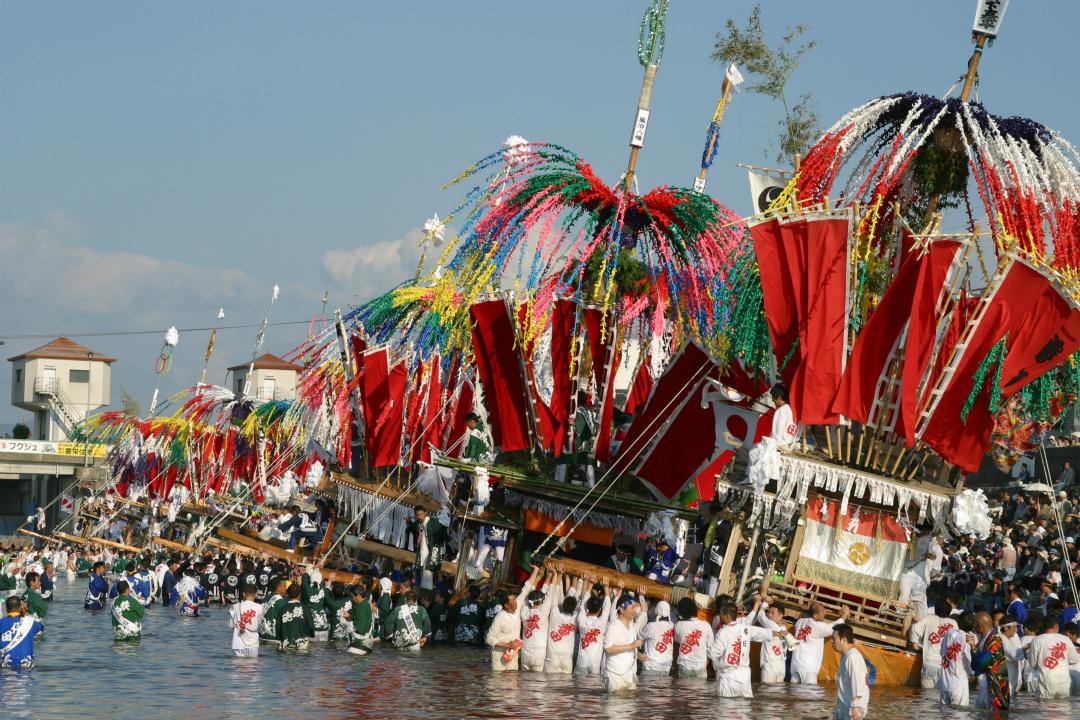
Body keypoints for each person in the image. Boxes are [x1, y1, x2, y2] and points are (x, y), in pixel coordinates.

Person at [710, 601, 779, 698]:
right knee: (743, 709)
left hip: (728, 677)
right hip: (744, 678)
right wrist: (779, 633)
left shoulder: (723, 632)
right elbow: (764, 633)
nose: (719, 617)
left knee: (724, 709)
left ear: (727, 617)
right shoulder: (746, 628)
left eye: (721, 615)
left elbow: (713, 653)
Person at [791, 602, 850, 684]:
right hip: (808, 669)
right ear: (815, 616)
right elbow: (833, 628)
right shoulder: (817, 626)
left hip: (795, 666)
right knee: (809, 695)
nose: (825, 613)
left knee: (793, 695)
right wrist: (844, 615)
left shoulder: (800, 622)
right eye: (822, 611)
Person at [908, 592, 956, 689]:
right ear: (949, 612)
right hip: (945, 666)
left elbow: (914, 628)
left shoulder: (929, 618)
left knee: (926, 698)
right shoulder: (953, 623)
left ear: (935, 610)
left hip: (930, 664)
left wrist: (914, 643)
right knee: (940, 699)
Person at [603, 591, 648, 693]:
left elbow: (628, 649)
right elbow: (608, 648)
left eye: (634, 608)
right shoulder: (613, 627)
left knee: (630, 707)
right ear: (622, 610)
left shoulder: (631, 626)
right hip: (615, 676)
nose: (634, 611)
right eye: (631, 608)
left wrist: (638, 655)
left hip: (629, 674)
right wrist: (631, 645)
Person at [1027, 615, 1080, 698]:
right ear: (1056, 627)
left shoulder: (1036, 640)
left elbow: (1032, 663)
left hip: (1046, 682)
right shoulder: (1066, 639)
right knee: (1064, 708)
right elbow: (1075, 659)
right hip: (1064, 682)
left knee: (1046, 708)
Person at [971, 611, 1011, 711]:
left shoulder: (995, 639)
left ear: (979, 625)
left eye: (974, 623)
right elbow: (975, 664)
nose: (972, 625)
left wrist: (973, 649)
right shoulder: (984, 638)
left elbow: (983, 663)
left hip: (995, 686)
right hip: (985, 684)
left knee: (996, 715)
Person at [831, 623, 869, 720]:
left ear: (843, 640)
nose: (832, 642)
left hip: (853, 709)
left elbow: (857, 682)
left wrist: (855, 706)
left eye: (834, 639)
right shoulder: (845, 656)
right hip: (844, 705)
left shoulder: (853, 657)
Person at [575, 580, 613, 675]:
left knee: (579, 689)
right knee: (593, 689)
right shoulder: (601, 622)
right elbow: (607, 606)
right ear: (600, 610)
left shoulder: (581, 621)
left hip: (581, 663)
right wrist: (606, 587)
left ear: (587, 609)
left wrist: (590, 585)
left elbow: (583, 605)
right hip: (595, 664)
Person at [518, 566, 552, 671]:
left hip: (525, 653)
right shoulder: (542, 612)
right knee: (537, 685)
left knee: (524, 683)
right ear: (542, 602)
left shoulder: (523, 611)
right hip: (539, 654)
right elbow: (549, 594)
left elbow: (528, 595)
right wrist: (551, 575)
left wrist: (539, 577)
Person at [544, 573, 579, 673]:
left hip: (552, 657)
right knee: (565, 688)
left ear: (563, 605)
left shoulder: (555, 614)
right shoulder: (576, 619)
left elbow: (554, 595)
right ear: (575, 609)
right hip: (567, 659)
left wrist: (558, 575)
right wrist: (575, 577)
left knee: (547, 687)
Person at [408, 506, 448, 592]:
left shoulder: (432, 522)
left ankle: (426, 596)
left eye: (421, 514)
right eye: (417, 515)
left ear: (425, 513)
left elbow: (442, 532)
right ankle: (424, 595)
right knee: (423, 575)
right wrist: (409, 523)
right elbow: (412, 529)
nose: (419, 517)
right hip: (422, 552)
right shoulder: (418, 523)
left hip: (431, 552)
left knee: (427, 576)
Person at [939, 610, 974, 706]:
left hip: (944, 685)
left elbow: (941, 652)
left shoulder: (948, 633)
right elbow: (968, 660)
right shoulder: (967, 639)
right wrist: (972, 674)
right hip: (959, 686)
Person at [673, 596, 714, 678]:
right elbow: (711, 646)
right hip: (700, 665)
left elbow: (677, 642)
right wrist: (707, 661)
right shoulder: (706, 625)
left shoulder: (678, 625)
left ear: (681, 612)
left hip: (684, 665)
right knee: (699, 690)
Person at [755, 598, 791, 683]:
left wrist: (764, 603)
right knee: (777, 695)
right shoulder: (784, 628)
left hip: (770, 665)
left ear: (780, 615)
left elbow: (760, 615)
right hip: (781, 667)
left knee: (766, 693)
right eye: (768, 612)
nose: (769, 615)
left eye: (772, 613)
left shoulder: (771, 624)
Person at [486, 590, 523, 671]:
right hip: (499, 656)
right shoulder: (500, 617)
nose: (516, 601)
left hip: (513, 655)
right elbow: (489, 638)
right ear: (506, 605)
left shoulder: (517, 611)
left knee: (512, 681)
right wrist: (507, 645)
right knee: (498, 682)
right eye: (513, 600)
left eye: (515, 599)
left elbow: (525, 590)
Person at [0, 595, 42, 669]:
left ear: (6, 609)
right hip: (26, 666)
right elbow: (41, 628)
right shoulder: (31, 622)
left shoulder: (1, 622)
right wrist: (26, 614)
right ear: (20, 607)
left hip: (6, 666)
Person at [639, 598, 675, 675]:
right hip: (666, 669)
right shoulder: (673, 627)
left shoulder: (651, 626)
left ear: (656, 611)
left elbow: (639, 637)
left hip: (650, 667)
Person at [229, 584, 263, 657]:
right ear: (256, 594)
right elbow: (260, 626)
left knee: (239, 666)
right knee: (252, 666)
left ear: (244, 594)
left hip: (238, 644)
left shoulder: (234, 607)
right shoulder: (260, 607)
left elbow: (231, 625)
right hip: (253, 644)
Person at [278, 582, 312, 651]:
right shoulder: (305, 608)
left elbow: (278, 628)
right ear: (300, 594)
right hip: (303, 644)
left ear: (288, 594)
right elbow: (310, 627)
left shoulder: (282, 608)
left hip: (286, 644)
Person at [346, 584, 375, 655]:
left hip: (359, 646)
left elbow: (360, 628)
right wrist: (349, 616)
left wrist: (347, 622)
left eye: (352, 596)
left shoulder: (362, 607)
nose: (352, 598)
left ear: (358, 596)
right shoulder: (365, 603)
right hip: (366, 645)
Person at [259, 577, 287, 644]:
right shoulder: (280, 601)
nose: (285, 588)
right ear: (278, 587)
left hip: (262, 636)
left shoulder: (266, 598)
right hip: (274, 639)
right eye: (284, 586)